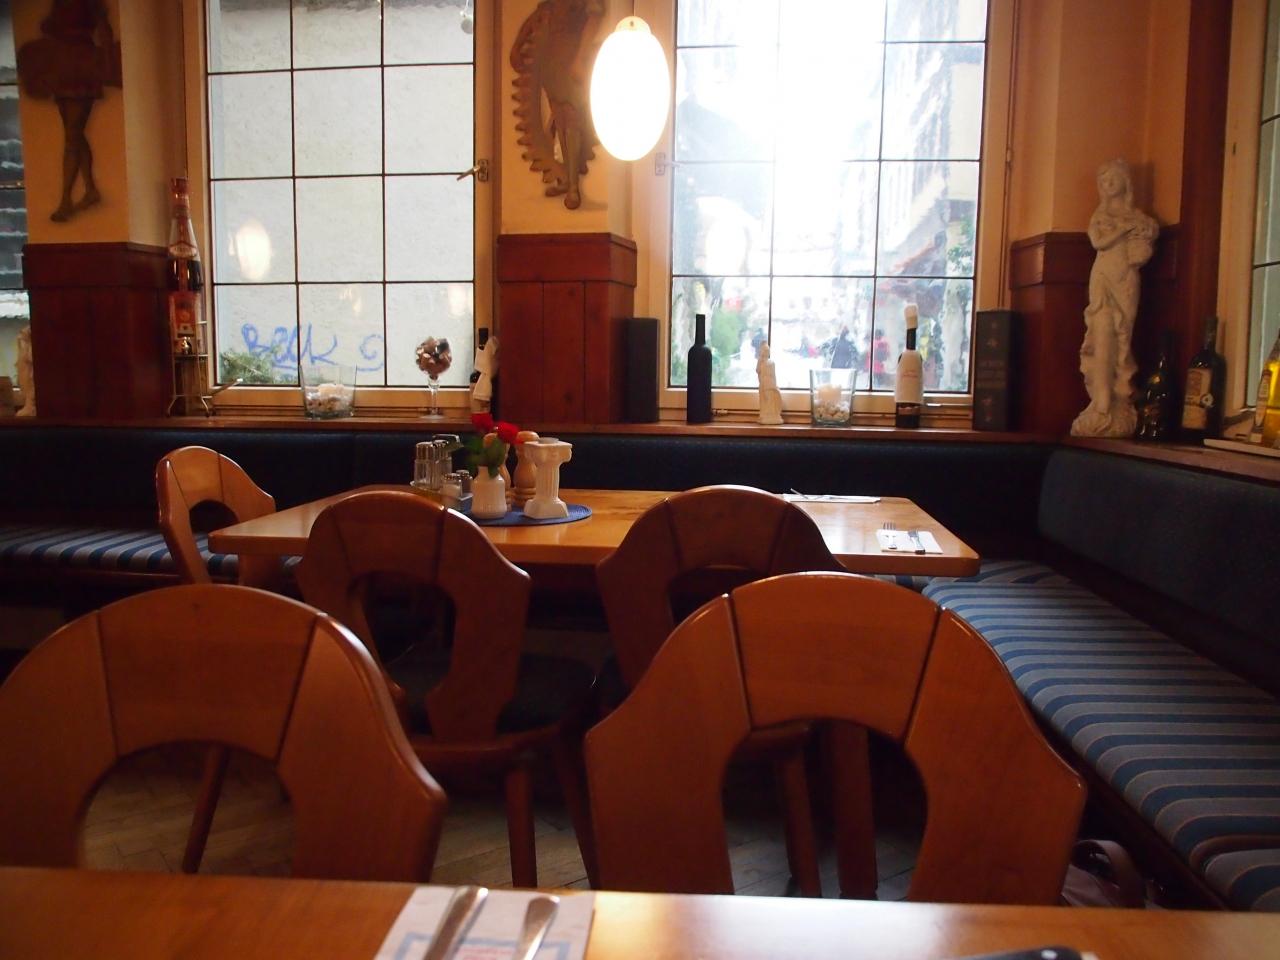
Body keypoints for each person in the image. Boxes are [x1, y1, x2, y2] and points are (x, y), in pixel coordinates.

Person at [1070, 158, 1158, 437]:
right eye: (1103, 180)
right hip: (1102, 276)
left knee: (1123, 336)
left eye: (1113, 179)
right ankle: (1101, 399)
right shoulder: (1100, 216)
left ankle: (1118, 395)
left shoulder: (1139, 219)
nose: (1108, 184)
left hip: (1126, 278)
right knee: (1102, 326)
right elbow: (1098, 242)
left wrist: (1140, 234)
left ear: (1125, 182)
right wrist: (1122, 230)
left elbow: (1145, 245)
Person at [17, 0, 121, 222]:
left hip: (80, 66)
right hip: (65, 65)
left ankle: (66, 199)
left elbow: (103, 28)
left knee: (73, 134)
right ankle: (89, 189)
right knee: (73, 133)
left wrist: (107, 63)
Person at [756, 342, 783, 425]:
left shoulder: (771, 363)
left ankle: (772, 415)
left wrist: (775, 385)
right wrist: (760, 361)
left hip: (770, 383)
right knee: (764, 400)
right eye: (764, 350)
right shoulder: (760, 362)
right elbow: (758, 371)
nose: (766, 352)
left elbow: (773, 375)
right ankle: (765, 414)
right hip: (763, 383)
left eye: (767, 350)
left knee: (770, 399)